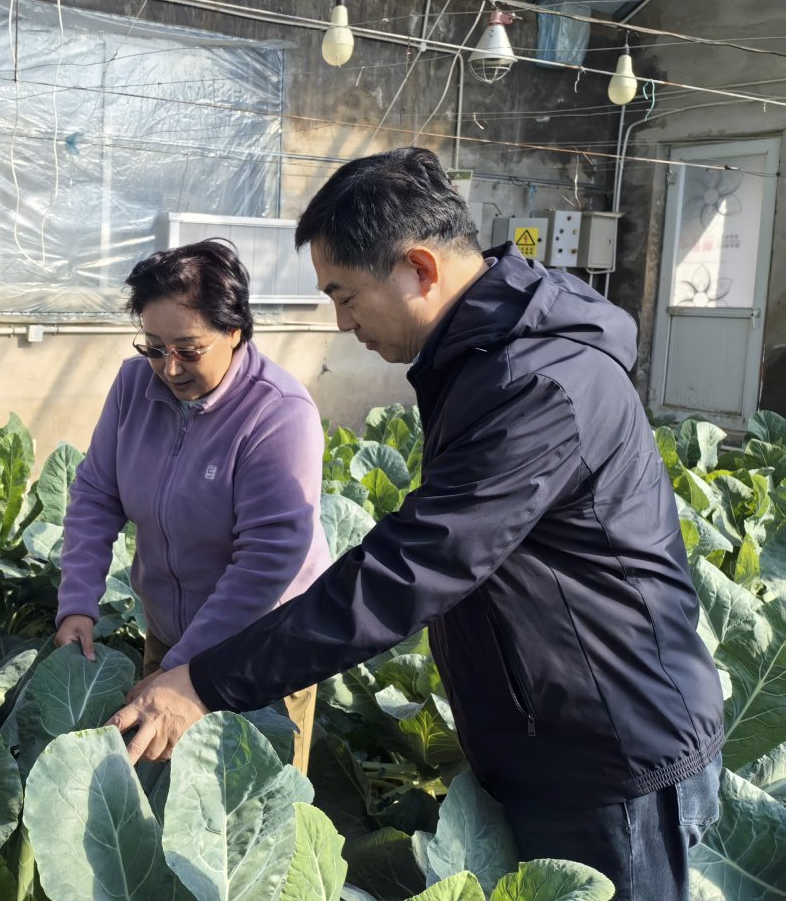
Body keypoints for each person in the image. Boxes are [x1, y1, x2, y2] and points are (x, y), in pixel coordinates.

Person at [111, 148, 724, 901]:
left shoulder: (536, 383)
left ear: (420, 269)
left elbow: (407, 572)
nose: (342, 322)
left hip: (611, 756)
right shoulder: (479, 361)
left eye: (345, 295)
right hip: (551, 738)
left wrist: (205, 682)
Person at [55, 239, 332, 746]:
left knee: (247, 791)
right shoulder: (133, 386)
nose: (170, 367)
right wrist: (77, 601)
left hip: (258, 651)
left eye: (189, 349)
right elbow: (96, 493)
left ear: (235, 330)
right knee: (153, 779)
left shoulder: (278, 413)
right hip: (167, 633)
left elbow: (268, 559)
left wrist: (183, 670)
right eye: (154, 347)